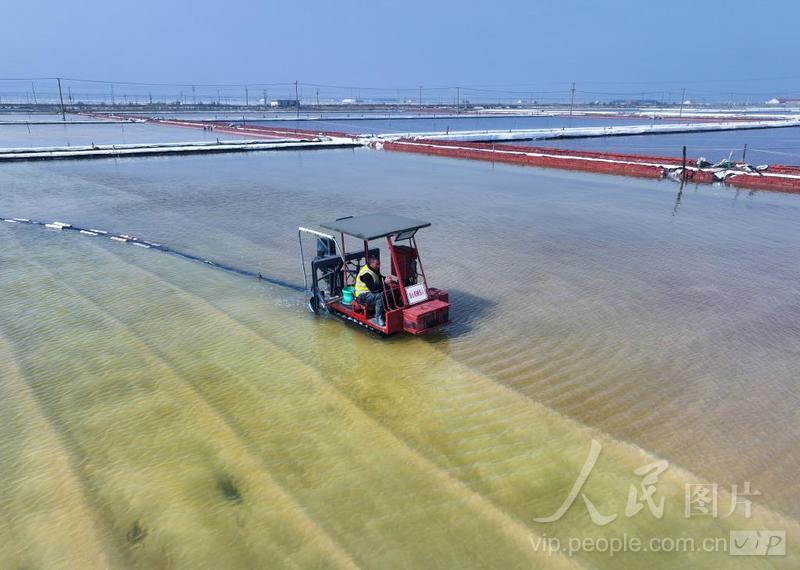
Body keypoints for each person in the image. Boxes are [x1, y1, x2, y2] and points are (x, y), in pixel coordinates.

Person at [354, 254, 392, 327]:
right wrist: (385, 282)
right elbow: (373, 287)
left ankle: (387, 310)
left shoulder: (374, 269)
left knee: (390, 290)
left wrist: (387, 279)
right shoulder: (366, 274)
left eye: (379, 264)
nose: (379, 266)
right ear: (371, 264)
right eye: (377, 264)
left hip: (370, 293)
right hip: (362, 296)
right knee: (379, 296)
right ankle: (378, 317)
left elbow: (379, 278)